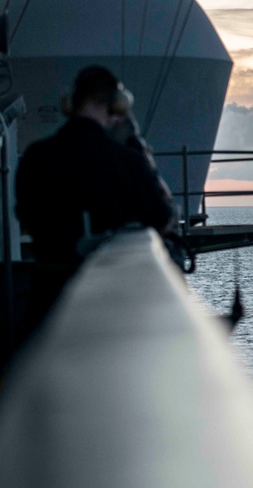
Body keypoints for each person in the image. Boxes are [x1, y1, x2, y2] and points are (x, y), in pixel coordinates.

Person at [14, 65, 175, 334]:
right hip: (109, 306)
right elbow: (162, 219)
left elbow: (24, 217)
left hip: (47, 299)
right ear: (115, 105)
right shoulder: (127, 162)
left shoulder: (35, 156)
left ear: (71, 103)